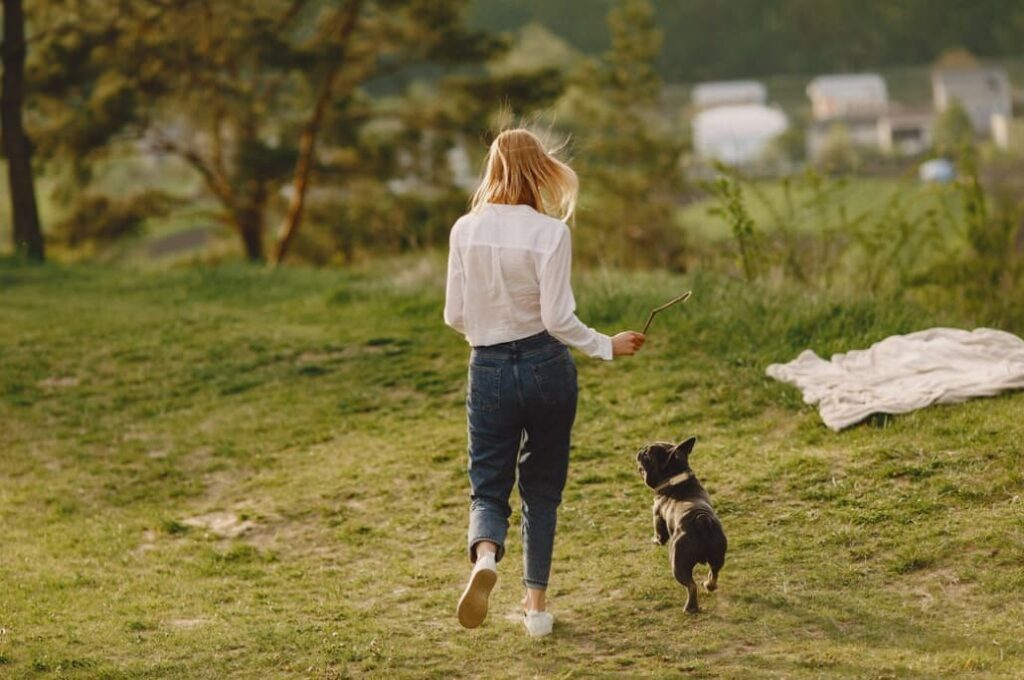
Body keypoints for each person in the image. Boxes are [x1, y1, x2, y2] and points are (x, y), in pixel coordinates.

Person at [443, 128, 646, 637]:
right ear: (540, 171)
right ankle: (535, 609)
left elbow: (453, 315)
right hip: (546, 366)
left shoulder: (464, 229)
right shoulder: (552, 233)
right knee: (542, 488)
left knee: (488, 484)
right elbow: (558, 319)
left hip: (486, 366)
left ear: (492, 169)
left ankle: (486, 556)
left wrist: (489, 338)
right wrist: (606, 344)